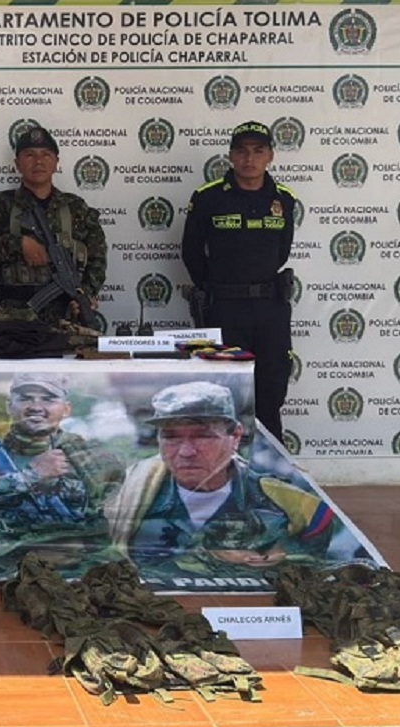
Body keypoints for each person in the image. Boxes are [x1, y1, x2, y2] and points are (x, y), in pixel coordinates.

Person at [106, 381, 339, 573]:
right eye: (171, 437)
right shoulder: (126, 496)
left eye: (203, 436)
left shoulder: (281, 501)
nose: (186, 451)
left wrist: (287, 553)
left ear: (235, 436)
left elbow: (319, 535)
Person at [181, 121, 297, 439]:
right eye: (242, 151)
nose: (250, 159)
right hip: (225, 308)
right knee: (225, 389)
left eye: (258, 151)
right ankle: (226, 460)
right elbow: (191, 252)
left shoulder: (284, 199)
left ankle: (270, 458)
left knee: (271, 386)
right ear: (231, 156)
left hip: (270, 307)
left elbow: (281, 252)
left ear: (270, 156)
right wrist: (218, 288)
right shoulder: (208, 198)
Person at [0, 372, 125, 572]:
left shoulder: (92, 460)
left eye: (48, 399)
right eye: (25, 398)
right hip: (1, 573)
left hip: (79, 574)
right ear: (9, 406)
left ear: (66, 409)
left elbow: (116, 525)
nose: (36, 407)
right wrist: (31, 476)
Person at [0, 126, 108, 329]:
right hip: (13, 317)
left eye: (45, 155)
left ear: (56, 162)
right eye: (30, 155)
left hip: (65, 317)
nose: (38, 161)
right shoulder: (1, 204)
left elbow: (97, 256)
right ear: (17, 164)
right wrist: (18, 244)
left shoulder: (76, 207)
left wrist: (84, 294)